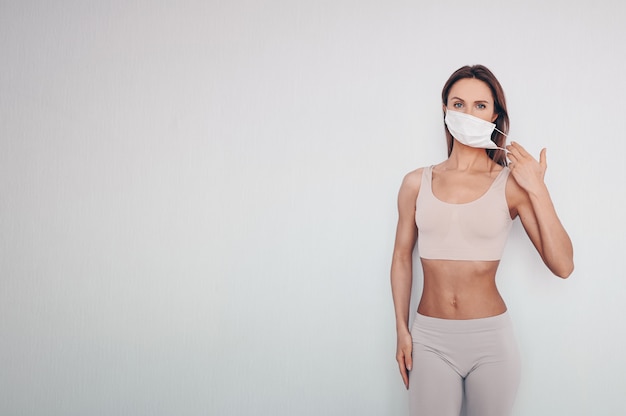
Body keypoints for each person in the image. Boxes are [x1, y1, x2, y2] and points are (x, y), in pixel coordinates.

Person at [390, 64, 574, 416]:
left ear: (495, 115)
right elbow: (401, 257)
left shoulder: (511, 184)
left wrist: (537, 188)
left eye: (480, 105)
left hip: (492, 343)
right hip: (430, 340)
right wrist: (401, 329)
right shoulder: (415, 182)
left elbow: (563, 265)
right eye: (458, 104)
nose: (468, 113)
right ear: (445, 111)